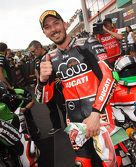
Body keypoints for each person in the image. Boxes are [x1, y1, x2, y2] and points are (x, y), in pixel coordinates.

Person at [35, 10, 120, 166]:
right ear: (45, 33)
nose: (53, 29)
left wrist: (95, 114)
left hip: (100, 115)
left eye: (56, 23)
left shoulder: (88, 43)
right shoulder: (48, 58)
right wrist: (42, 80)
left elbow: (110, 76)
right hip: (74, 121)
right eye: (48, 27)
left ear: (65, 24)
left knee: (111, 161)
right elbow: (43, 99)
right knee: (82, 162)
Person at [28, 40, 66, 135]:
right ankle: (56, 126)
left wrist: (62, 78)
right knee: (51, 109)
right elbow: (37, 73)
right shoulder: (36, 60)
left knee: (63, 108)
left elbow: (63, 66)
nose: (32, 54)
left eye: (33, 51)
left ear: (39, 47)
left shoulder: (51, 55)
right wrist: (39, 86)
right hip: (45, 89)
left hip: (56, 87)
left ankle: (69, 126)